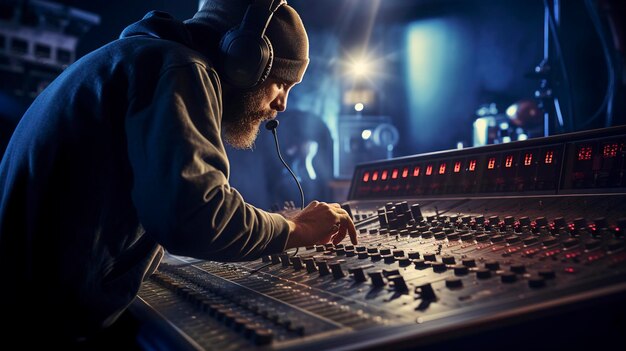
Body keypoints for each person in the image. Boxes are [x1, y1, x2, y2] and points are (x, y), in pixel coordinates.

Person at [0, 0, 357, 346]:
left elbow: (160, 212)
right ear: (247, 60)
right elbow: (196, 217)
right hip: (49, 325)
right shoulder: (179, 67)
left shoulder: (137, 58)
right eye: (282, 83)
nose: (282, 104)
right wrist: (298, 228)